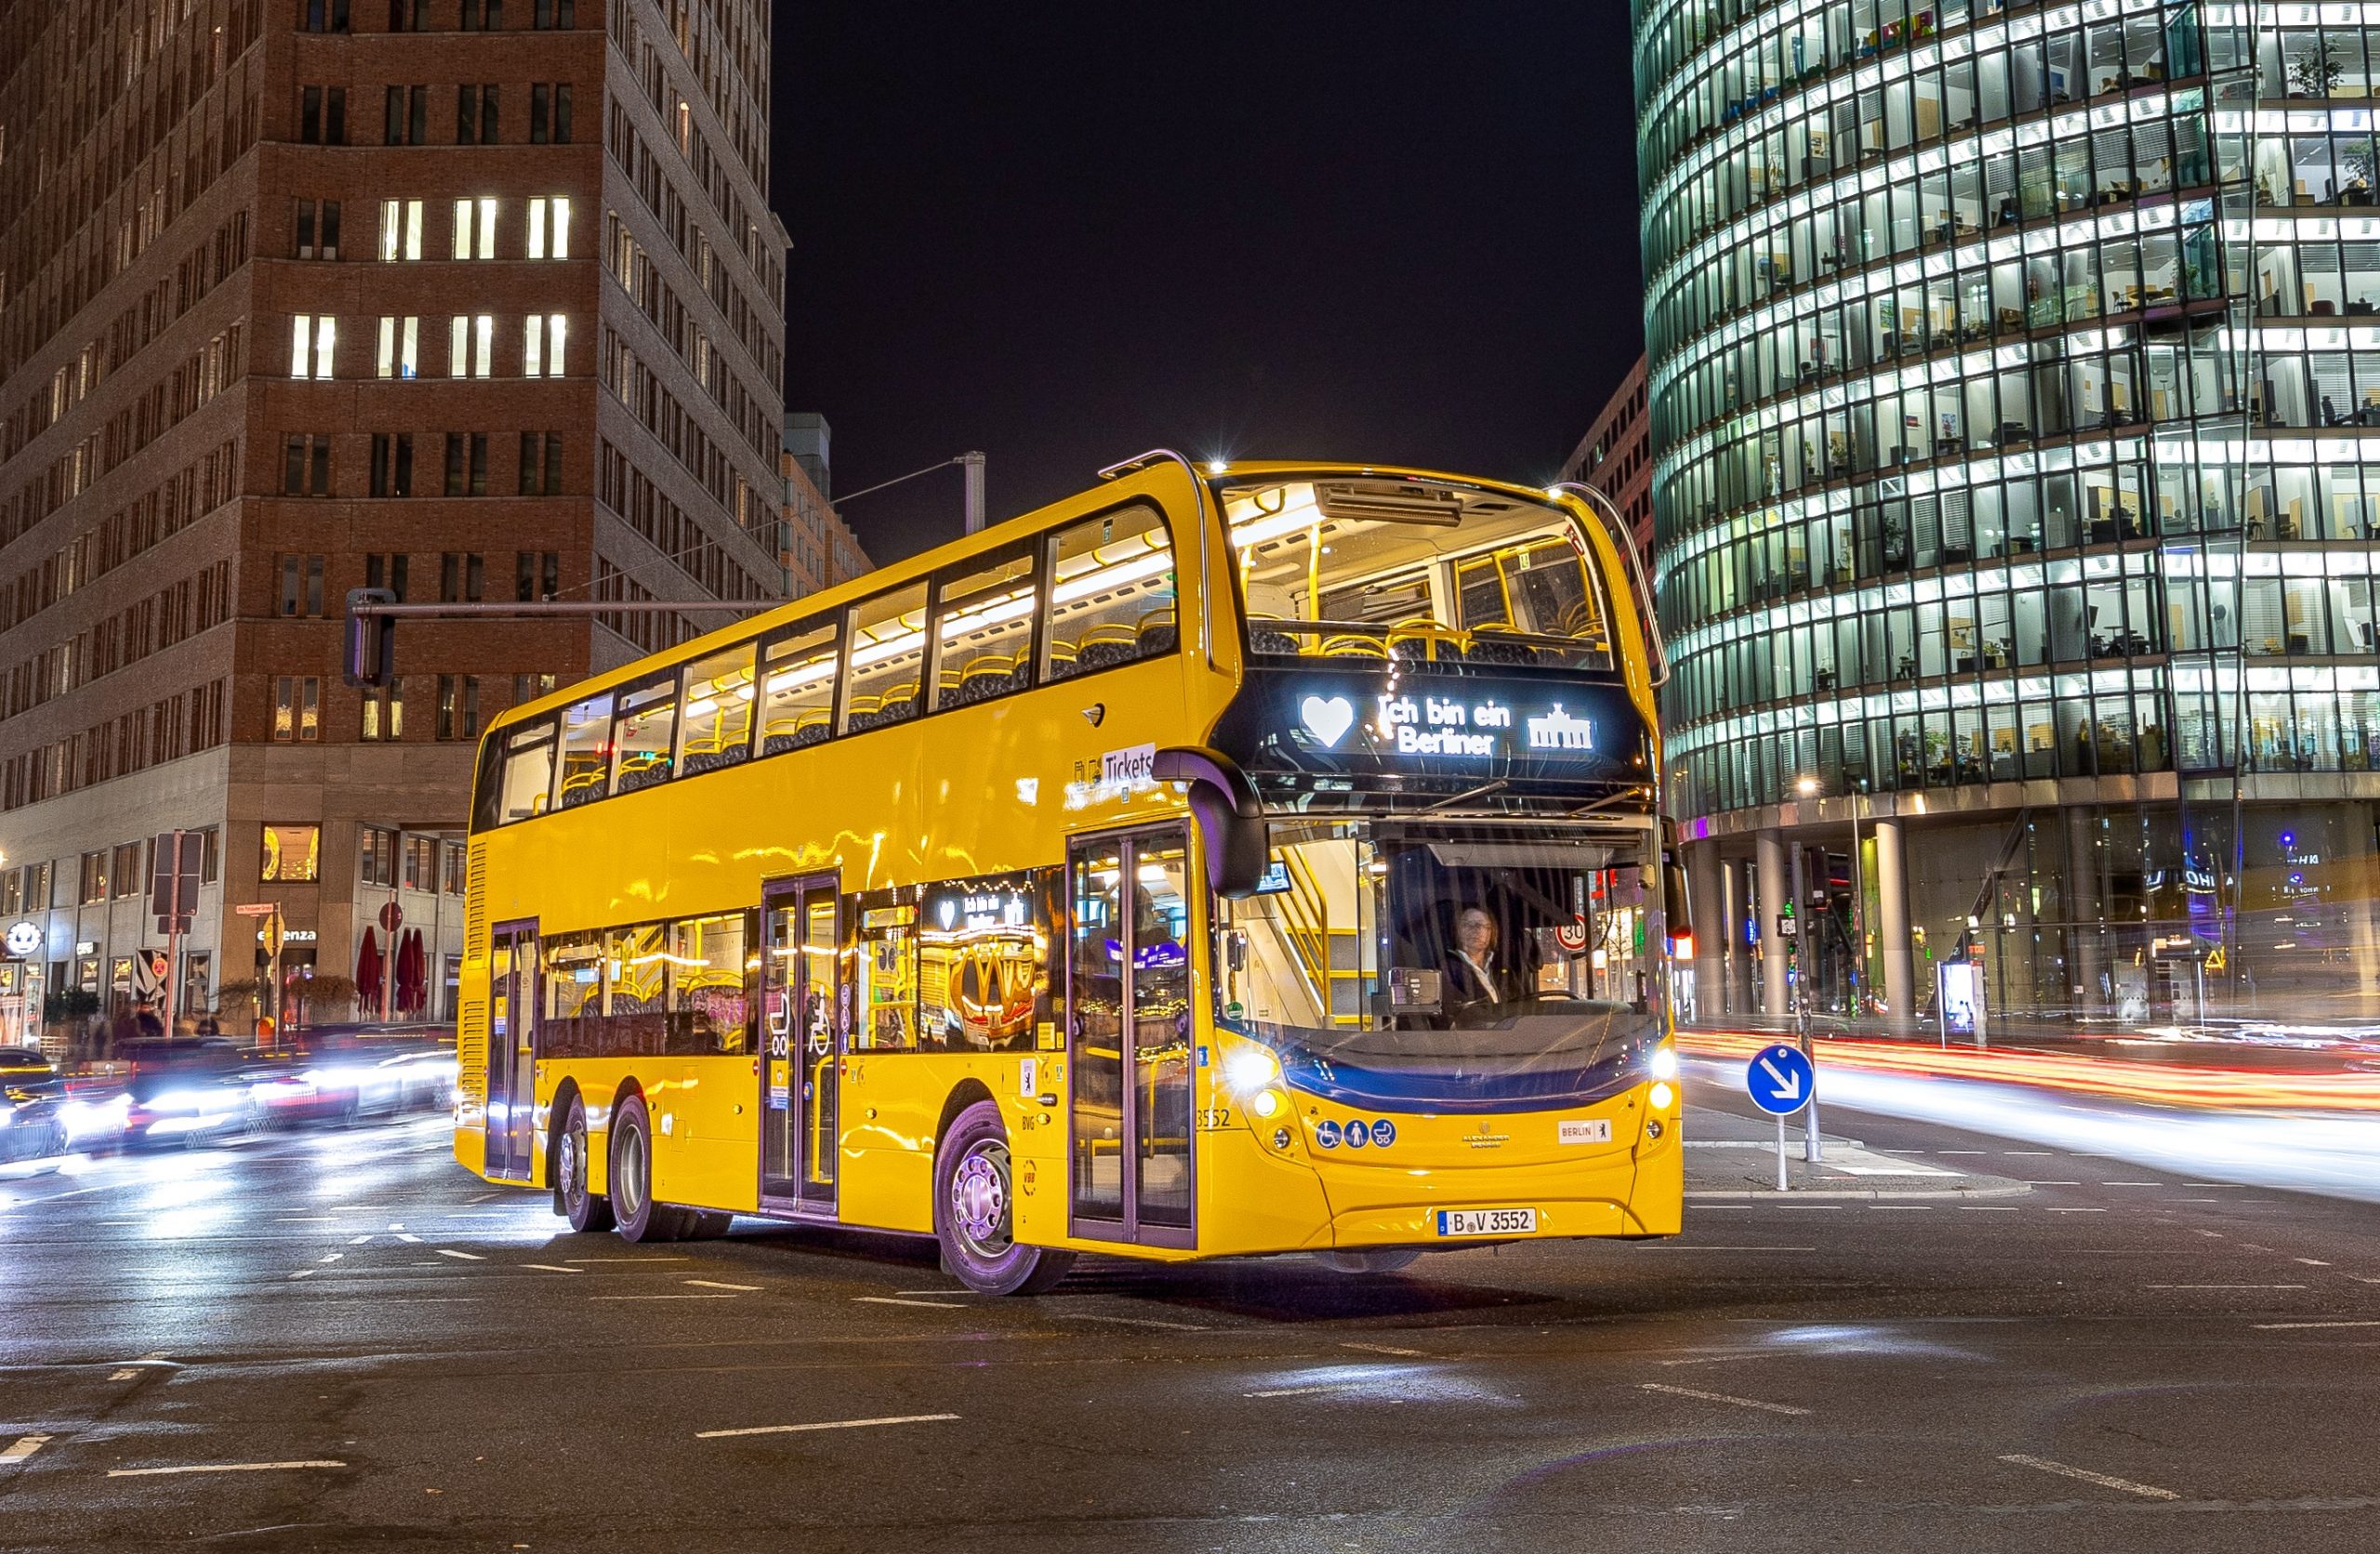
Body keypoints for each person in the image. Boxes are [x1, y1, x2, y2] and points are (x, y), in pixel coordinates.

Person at [1443, 906, 1508, 1024]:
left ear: (1491, 932)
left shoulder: (1504, 969)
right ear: (1457, 930)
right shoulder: (1446, 969)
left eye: (1483, 925)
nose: (1476, 930)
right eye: (1468, 924)